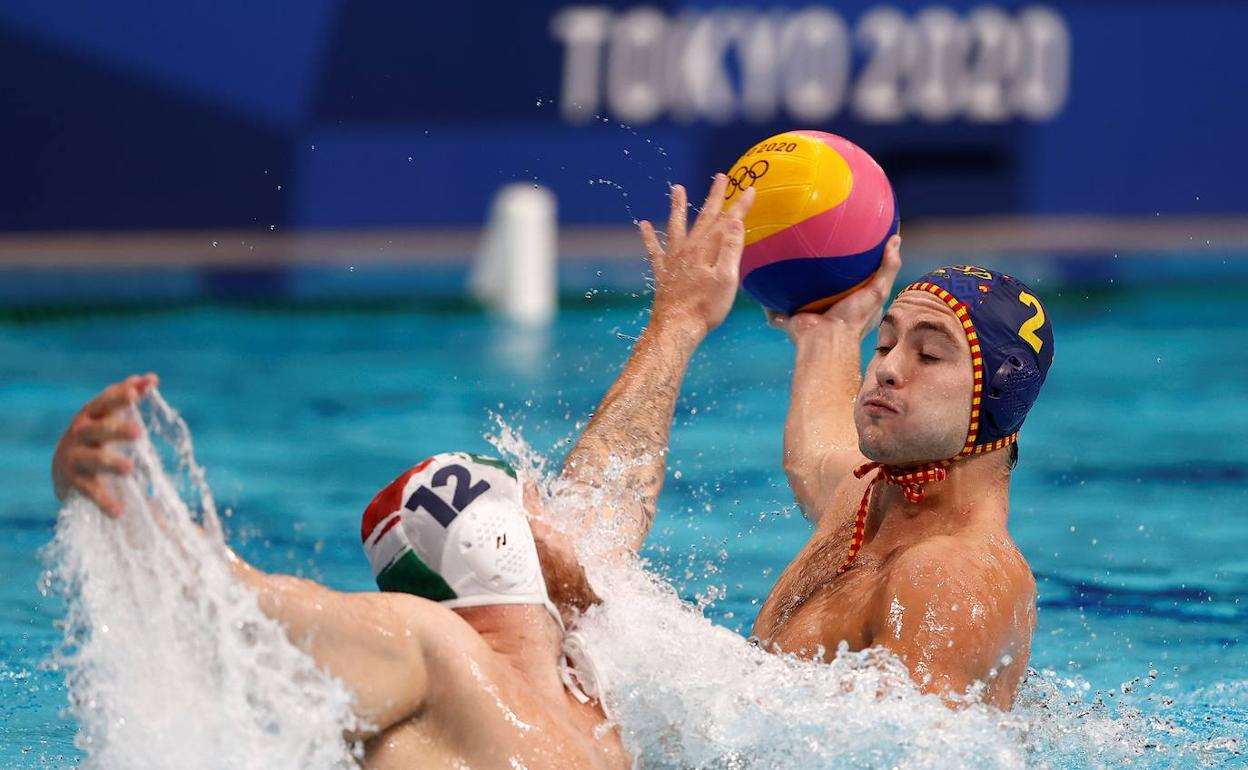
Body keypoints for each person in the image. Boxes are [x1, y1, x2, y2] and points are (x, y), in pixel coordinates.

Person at [49, 176, 756, 769]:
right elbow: (249, 605)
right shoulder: (436, 652)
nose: (563, 506)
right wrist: (114, 506)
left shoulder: (590, 676)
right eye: (538, 499)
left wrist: (679, 323)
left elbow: (615, 485)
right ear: (510, 543)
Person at [756, 256, 1055, 708]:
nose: (887, 368)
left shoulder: (949, 575)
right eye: (884, 343)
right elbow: (812, 459)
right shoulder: (864, 498)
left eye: (929, 354)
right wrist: (828, 331)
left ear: (1000, 393)